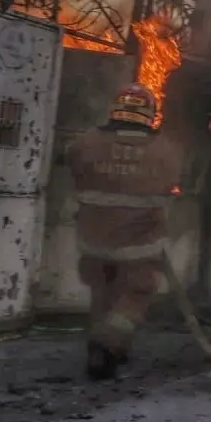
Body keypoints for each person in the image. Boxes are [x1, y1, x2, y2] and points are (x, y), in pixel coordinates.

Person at [68, 82, 184, 380]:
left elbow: (73, 165)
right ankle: (107, 347)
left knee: (102, 294)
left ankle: (106, 346)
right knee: (134, 295)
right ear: (150, 114)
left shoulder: (86, 142)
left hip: (92, 241)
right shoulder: (165, 150)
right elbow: (173, 182)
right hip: (139, 245)